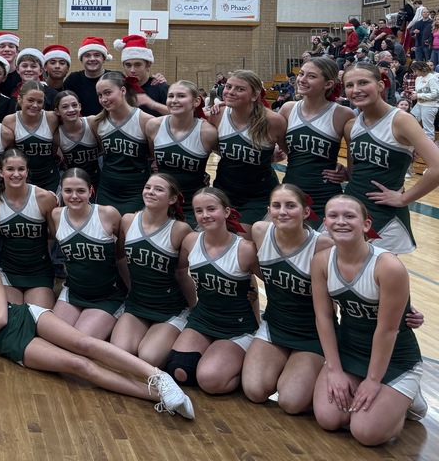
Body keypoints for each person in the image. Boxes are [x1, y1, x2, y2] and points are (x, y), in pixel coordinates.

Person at [0, 236, 195, 420]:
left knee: (85, 343)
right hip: (10, 343)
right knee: (79, 366)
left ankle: (160, 378)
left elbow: (1, 317)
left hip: (25, 316)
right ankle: (161, 398)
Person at [311, 195, 427, 446]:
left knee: (366, 433)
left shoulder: (388, 266)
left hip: (394, 357)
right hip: (349, 350)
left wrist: (374, 381)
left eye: (349, 216)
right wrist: (334, 369)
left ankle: (407, 401)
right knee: (328, 419)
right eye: (333, 216)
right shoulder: (321, 261)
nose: (340, 221)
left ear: (366, 225)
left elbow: (387, 330)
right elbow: (324, 317)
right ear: (325, 223)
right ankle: (382, 399)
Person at [243, 184, 331, 414]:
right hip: (275, 325)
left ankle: (322, 373)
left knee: (291, 402)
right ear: (269, 210)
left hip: (312, 333)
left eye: (291, 206)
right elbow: (255, 269)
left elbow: (353, 283)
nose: (282, 211)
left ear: (305, 212)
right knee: (254, 390)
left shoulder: (323, 245)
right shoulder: (260, 231)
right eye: (276, 206)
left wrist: (404, 310)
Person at [168, 188, 259, 394]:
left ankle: (246, 365)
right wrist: (190, 307)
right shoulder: (191, 241)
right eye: (199, 211)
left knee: (210, 380)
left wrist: (258, 321)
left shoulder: (245, 248)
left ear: (227, 212)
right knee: (179, 370)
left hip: (237, 327)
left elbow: (267, 283)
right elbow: (178, 270)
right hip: (203, 319)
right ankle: (222, 359)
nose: (205, 215)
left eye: (211, 209)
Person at [341, 62, 439, 254]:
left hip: (385, 215)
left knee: (379, 279)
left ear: (380, 85)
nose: (356, 90)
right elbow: (355, 171)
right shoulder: (351, 125)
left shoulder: (401, 120)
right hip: (352, 208)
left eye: (363, 83)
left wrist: (404, 199)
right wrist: (342, 173)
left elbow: (436, 167)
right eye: (350, 85)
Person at [110, 173, 195, 368]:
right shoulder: (128, 220)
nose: (150, 192)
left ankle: (178, 326)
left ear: (172, 199)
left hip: (169, 308)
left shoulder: (180, 230)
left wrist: (194, 310)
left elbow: (182, 274)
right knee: (120, 353)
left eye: (158, 189)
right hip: (137, 303)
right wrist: (132, 287)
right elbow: (120, 257)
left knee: (149, 357)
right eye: (148, 187)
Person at [50, 168, 125, 341]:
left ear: (91, 191)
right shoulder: (56, 215)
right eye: (68, 191)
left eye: (81, 191)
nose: (74, 196)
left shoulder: (108, 214)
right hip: (74, 291)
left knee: (78, 342)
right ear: (61, 191)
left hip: (107, 295)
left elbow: (122, 255)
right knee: (55, 339)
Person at [209, 70, 287, 233]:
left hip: (257, 196)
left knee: (241, 238)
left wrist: (270, 157)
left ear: (254, 95)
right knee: (215, 236)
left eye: (239, 89)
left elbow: (292, 154)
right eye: (228, 86)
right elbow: (216, 148)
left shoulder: (273, 121)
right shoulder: (218, 114)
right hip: (224, 191)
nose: (230, 92)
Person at [279, 57, 355, 211]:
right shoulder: (288, 109)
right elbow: (284, 147)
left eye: (311, 76)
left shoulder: (343, 114)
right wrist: (227, 106)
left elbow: (355, 155)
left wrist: (346, 173)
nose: (302, 79)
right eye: (301, 74)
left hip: (325, 195)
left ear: (328, 84)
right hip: (290, 192)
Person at [0, 148, 58, 307]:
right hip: (8, 271)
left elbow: (57, 235)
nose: (16, 174)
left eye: (21, 169)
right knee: (13, 316)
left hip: (39, 271)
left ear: (27, 171)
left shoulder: (44, 198)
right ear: (0, 172)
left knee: (35, 317)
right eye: (10, 169)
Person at [146, 80, 216, 225]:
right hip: (160, 203)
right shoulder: (154, 126)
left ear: (196, 101)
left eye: (181, 96)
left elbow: (230, 160)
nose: (174, 101)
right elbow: (150, 157)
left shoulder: (207, 132)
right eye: (170, 96)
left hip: (193, 204)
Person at [93, 72, 152, 214]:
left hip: (136, 188)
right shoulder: (97, 123)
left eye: (108, 93)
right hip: (107, 187)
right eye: (100, 95)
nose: (103, 99)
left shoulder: (145, 120)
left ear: (123, 90)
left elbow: (152, 155)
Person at [2, 80, 60, 192]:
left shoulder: (52, 118)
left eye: (40, 102)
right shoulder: (9, 121)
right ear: (19, 99)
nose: (35, 105)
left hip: (50, 178)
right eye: (30, 100)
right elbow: (10, 152)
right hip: (22, 179)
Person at [54, 90, 101, 184]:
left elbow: (105, 151)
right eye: (65, 107)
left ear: (80, 106)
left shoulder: (92, 123)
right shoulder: (57, 135)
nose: (71, 110)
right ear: (57, 111)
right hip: (74, 182)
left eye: (74, 105)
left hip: (99, 179)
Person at [116, 34, 168, 116]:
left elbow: (180, 115)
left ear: (148, 65)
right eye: (128, 65)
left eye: (138, 65)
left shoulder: (160, 88)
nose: (132, 70)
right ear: (123, 66)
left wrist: (152, 104)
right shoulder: (119, 87)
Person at [64, 37, 116, 116]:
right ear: (81, 59)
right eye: (87, 56)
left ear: (104, 59)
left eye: (97, 55)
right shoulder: (73, 79)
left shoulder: (114, 78)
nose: (92, 59)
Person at [407, 60, 439, 140]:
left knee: (428, 128)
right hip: (419, 104)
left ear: (421, 69)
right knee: (410, 120)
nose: (414, 73)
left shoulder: (432, 78)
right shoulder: (418, 78)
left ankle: (430, 147)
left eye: (415, 71)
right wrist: (414, 93)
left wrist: (418, 95)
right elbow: (419, 91)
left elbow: (435, 94)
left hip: (430, 105)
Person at [0, 31, 21, 96]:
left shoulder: (22, 76)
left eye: (11, 46)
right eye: (2, 46)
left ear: (17, 51)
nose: (7, 49)